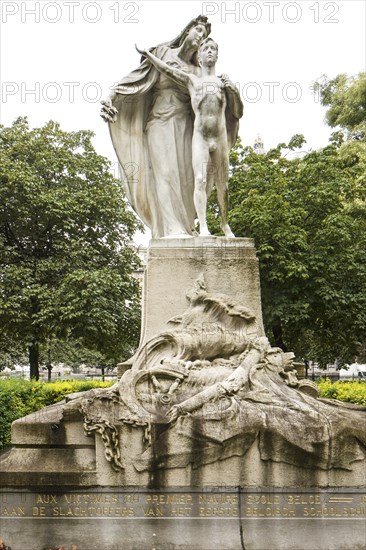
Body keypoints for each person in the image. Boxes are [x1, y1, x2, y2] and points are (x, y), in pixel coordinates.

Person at [100, 17, 242, 239]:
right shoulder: (163, 53)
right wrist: (111, 96)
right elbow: (136, 78)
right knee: (165, 174)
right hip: (159, 121)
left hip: (187, 127)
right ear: (187, 31)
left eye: (204, 36)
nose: (200, 37)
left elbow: (214, 101)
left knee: (188, 180)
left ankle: (188, 227)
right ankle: (172, 229)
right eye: (198, 30)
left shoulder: (197, 70)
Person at [136, 38, 243, 237]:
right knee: (200, 179)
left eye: (213, 49)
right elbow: (168, 70)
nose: (210, 51)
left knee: (223, 185)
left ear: (217, 56)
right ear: (200, 57)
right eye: (206, 49)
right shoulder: (192, 80)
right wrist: (149, 55)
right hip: (201, 137)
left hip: (219, 139)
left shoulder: (222, 83)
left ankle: (225, 224)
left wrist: (234, 91)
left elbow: (238, 112)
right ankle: (203, 226)